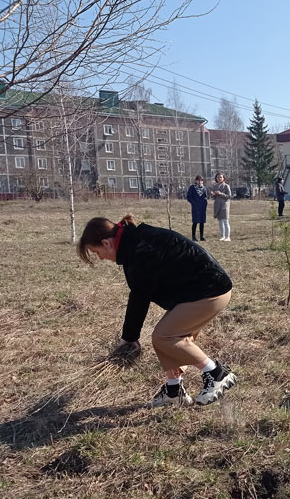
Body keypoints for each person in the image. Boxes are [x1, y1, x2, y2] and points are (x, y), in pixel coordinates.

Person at [77, 214, 238, 406]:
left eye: (96, 252)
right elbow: (140, 293)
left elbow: (139, 297)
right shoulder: (135, 243)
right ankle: (173, 391)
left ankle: (216, 373)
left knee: (164, 337)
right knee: (167, 338)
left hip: (210, 292)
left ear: (106, 243)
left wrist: (128, 338)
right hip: (202, 292)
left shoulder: (140, 249)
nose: (100, 258)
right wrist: (130, 337)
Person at [210, 173, 232, 241]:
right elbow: (214, 198)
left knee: (225, 221)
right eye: (218, 177)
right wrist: (213, 195)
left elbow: (229, 196)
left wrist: (220, 193)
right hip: (217, 206)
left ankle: (228, 237)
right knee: (220, 222)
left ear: (223, 178)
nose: (219, 178)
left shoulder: (226, 186)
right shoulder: (215, 186)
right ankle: (222, 236)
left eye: (221, 177)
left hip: (224, 206)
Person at [186, 175, 208, 241]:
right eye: (198, 180)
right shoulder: (192, 187)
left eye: (201, 180)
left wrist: (204, 204)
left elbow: (206, 197)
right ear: (196, 180)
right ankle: (193, 237)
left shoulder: (204, 188)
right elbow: (188, 197)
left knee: (202, 222)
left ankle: (201, 236)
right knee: (195, 222)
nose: (200, 181)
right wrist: (194, 203)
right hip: (195, 207)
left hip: (202, 208)